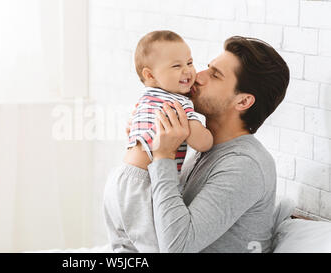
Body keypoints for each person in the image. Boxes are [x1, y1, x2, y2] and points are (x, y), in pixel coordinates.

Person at [147, 36, 290, 252]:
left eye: (215, 75)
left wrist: (163, 157)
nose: (197, 76)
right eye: (207, 68)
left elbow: (177, 247)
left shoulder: (245, 165)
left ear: (243, 101)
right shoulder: (206, 146)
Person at [103, 30, 213, 253]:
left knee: (124, 247)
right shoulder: (178, 102)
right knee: (153, 247)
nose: (188, 71)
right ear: (150, 75)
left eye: (190, 62)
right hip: (143, 184)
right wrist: (211, 133)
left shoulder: (148, 96)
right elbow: (203, 143)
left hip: (119, 179)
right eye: (176, 66)